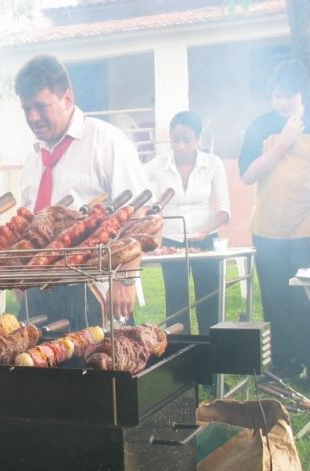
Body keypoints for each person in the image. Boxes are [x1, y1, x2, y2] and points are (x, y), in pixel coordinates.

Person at [15, 54, 149, 328]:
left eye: (41, 106)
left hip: (98, 291)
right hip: (39, 294)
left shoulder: (106, 141)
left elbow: (140, 213)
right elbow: (28, 229)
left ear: (67, 98)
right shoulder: (33, 160)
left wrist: (126, 278)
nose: (32, 117)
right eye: (26, 108)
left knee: (99, 366)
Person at [239, 59, 310, 381]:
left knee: (305, 299)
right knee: (275, 300)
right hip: (268, 229)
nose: (282, 102)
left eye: (289, 96)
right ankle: (284, 362)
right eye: (277, 96)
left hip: (306, 229)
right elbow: (248, 174)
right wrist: (283, 142)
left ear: (302, 94)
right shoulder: (260, 126)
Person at [145, 111, 231, 334]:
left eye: (187, 140)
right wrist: (149, 214)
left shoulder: (213, 163)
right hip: (171, 243)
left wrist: (205, 231)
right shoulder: (158, 164)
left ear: (198, 140)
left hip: (205, 240)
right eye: (175, 140)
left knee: (209, 300)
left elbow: (224, 211)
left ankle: (211, 356)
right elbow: (135, 183)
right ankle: (180, 357)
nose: (180, 146)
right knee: (176, 303)